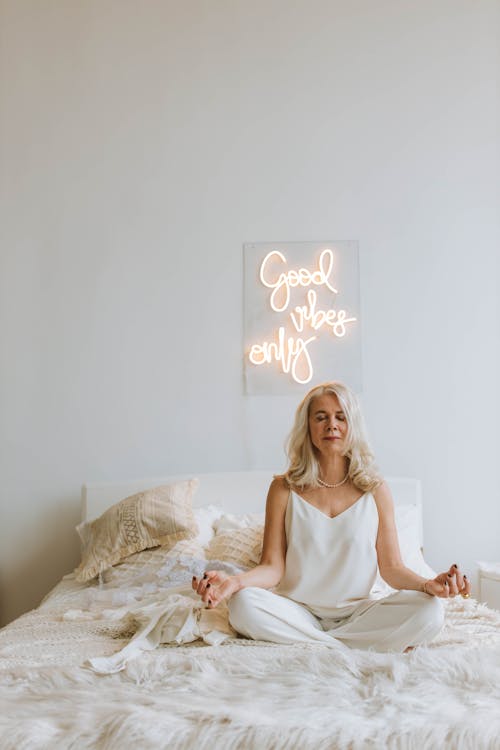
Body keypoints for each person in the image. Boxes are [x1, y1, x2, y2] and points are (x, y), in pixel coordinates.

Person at [192, 381, 471, 652]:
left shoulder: (376, 489)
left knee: (430, 612)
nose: (332, 425)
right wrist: (235, 582)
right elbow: (273, 567)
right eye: (321, 417)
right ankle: (350, 646)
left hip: (360, 613)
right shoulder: (282, 488)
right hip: (297, 611)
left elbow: (392, 568)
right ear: (308, 427)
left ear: (353, 426)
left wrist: (428, 584)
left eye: (341, 417)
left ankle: (316, 644)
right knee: (243, 606)